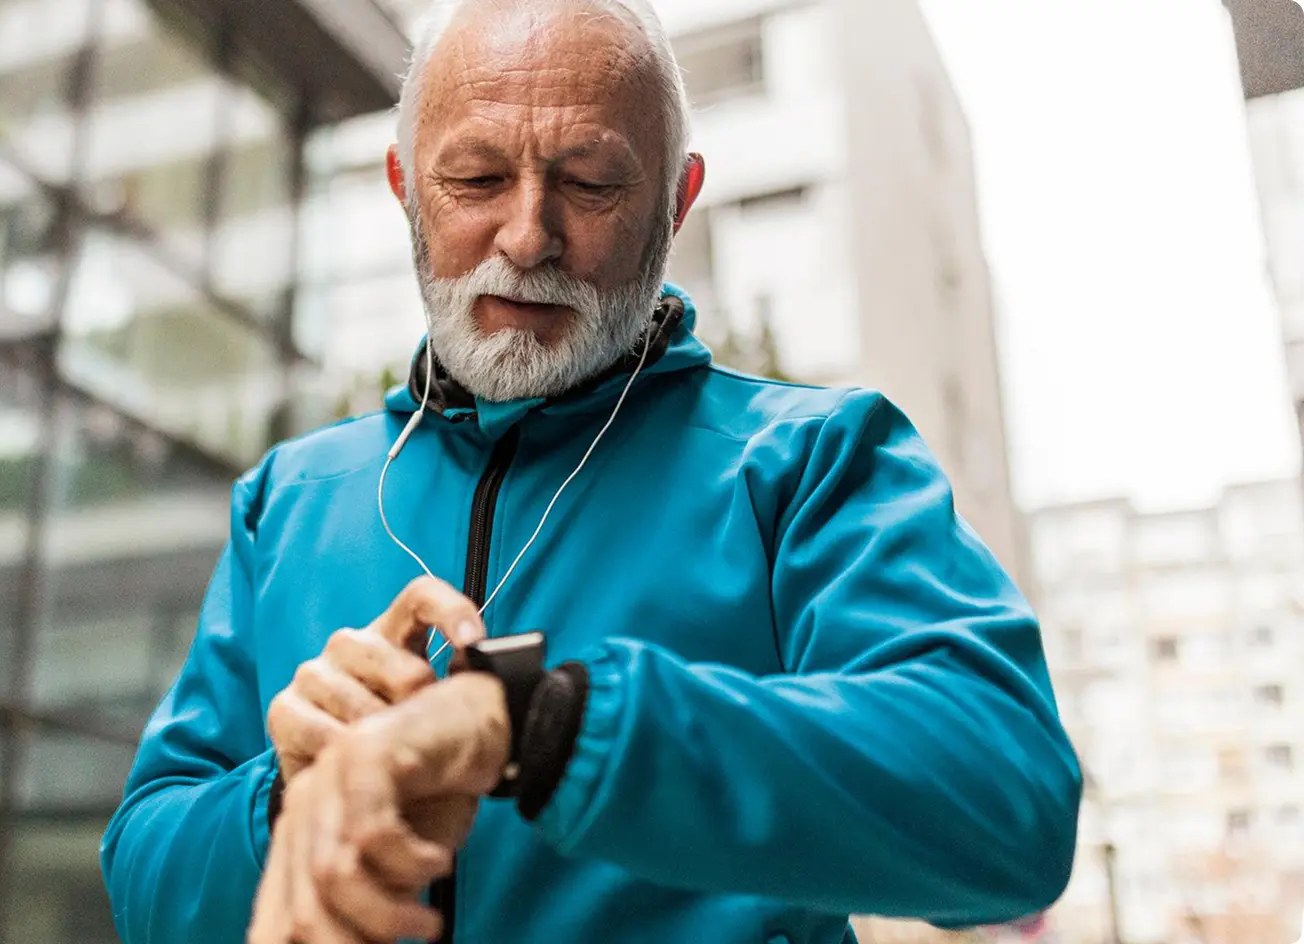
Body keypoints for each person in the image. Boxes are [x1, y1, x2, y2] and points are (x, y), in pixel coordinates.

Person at [100, 0, 1084, 942]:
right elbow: (143, 885)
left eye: (591, 182)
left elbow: (1009, 799)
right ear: (404, 187)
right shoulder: (286, 498)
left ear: (676, 199)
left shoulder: (810, 461)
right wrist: (284, 798)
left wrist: (545, 722)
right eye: (477, 179)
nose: (528, 237)